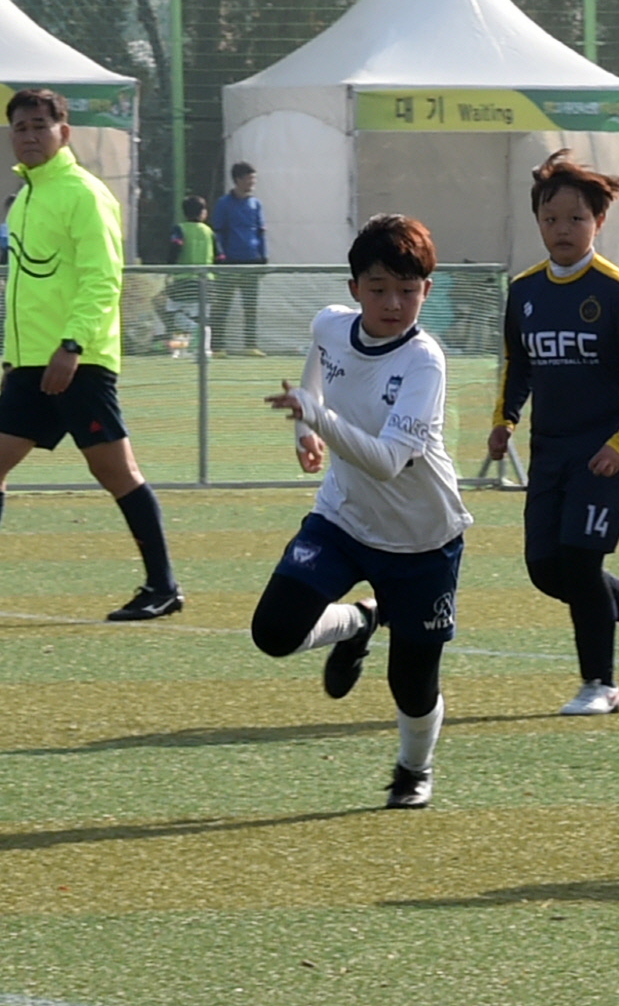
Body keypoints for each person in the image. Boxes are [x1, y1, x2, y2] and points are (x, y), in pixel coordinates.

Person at [0, 89, 183, 623]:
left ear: (63, 132)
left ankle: (163, 587)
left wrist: (72, 347)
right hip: (31, 367)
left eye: (40, 126)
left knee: (116, 471)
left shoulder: (84, 194)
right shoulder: (25, 198)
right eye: (21, 126)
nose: (30, 135)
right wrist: (10, 362)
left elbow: (102, 280)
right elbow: (23, 290)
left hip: (78, 361)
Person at [253, 214, 467, 809]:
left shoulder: (425, 361)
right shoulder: (329, 324)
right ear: (354, 289)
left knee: (412, 685)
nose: (394, 303)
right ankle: (358, 622)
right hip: (344, 518)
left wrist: (317, 418)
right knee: (273, 632)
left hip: (424, 536)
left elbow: (389, 461)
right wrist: (305, 428)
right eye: (378, 289)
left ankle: (413, 768)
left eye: (409, 289)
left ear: (428, 288)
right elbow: (314, 381)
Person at [486, 151, 619, 716]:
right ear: (537, 222)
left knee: (580, 560)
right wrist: (504, 421)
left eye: (575, 218)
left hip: (604, 454)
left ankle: (600, 684)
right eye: (550, 219)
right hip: (551, 451)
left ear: (598, 221)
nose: (562, 229)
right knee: (546, 569)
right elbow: (518, 364)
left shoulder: (616, 289)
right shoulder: (524, 292)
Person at [214, 161, 268, 355]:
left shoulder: (256, 204)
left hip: (252, 261)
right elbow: (218, 232)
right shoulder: (224, 203)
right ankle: (217, 346)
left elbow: (261, 232)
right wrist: (221, 256)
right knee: (223, 304)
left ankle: (250, 345)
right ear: (238, 180)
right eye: (249, 179)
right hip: (230, 262)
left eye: (253, 179)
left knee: (250, 306)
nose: (252, 183)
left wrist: (263, 256)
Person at [155, 193, 215, 355]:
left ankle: (185, 343)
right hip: (206, 281)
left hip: (183, 279)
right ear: (203, 212)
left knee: (173, 313)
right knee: (200, 317)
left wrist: (170, 268)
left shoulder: (180, 229)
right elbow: (220, 255)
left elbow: (176, 247)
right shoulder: (209, 232)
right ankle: (200, 352)